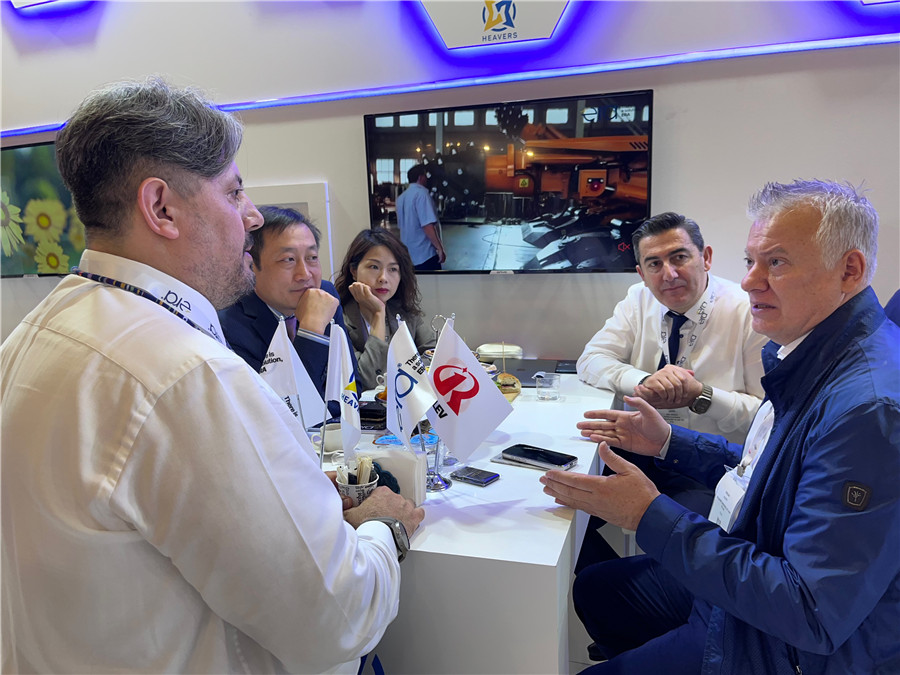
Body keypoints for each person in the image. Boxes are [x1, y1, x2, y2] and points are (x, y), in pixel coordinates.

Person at [0, 77, 425, 674]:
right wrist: (384, 528)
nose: (251, 217)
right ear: (161, 208)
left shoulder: (32, 335)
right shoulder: (186, 374)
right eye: (234, 192)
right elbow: (340, 616)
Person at [542, 179, 900, 675]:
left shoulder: (867, 409)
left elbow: (810, 611)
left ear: (850, 270)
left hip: (775, 643)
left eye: (776, 262)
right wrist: (669, 442)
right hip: (748, 557)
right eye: (751, 261)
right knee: (599, 589)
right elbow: (767, 469)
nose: (751, 280)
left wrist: (648, 514)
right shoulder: (809, 352)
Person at [575, 212, 766, 567]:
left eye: (679, 257)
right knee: (565, 507)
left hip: (709, 468)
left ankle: (626, 588)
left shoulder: (749, 312)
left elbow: (767, 417)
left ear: (705, 257)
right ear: (641, 273)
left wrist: (702, 396)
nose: (670, 274)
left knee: (677, 558)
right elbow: (590, 360)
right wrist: (642, 381)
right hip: (640, 448)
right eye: (655, 264)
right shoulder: (638, 299)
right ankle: (605, 582)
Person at [219, 205, 358, 405]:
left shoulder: (325, 295)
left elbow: (350, 386)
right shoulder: (228, 324)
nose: (305, 274)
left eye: (312, 258)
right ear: (251, 266)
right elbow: (280, 410)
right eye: (288, 260)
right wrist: (311, 332)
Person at [334, 227, 436, 391]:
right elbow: (367, 380)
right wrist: (378, 314)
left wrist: (401, 373)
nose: (383, 278)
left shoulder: (404, 312)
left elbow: (435, 356)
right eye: (374, 267)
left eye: (393, 269)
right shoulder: (337, 321)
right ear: (354, 271)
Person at [395, 163, 445, 271]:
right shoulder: (421, 194)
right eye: (425, 175)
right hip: (425, 255)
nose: (427, 178)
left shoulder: (401, 198)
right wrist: (439, 248)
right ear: (420, 177)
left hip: (408, 255)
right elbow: (427, 225)